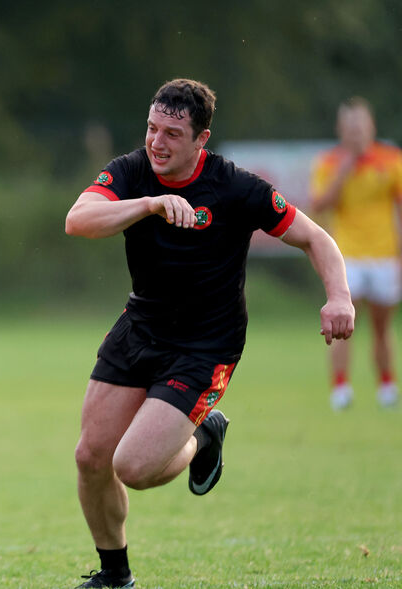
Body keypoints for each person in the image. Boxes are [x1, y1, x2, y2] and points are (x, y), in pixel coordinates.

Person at [64, 79, 355, 588]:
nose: (157, 142)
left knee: (132, 466)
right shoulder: (134, 171)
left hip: (205, 345)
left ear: (202, 139)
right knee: (91, 457)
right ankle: (115, 576)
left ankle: (203, 435)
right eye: (153, 128)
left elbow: (316, 237)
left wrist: (339, 297)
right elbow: (78, 220)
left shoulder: (237, 188)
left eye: (173, 134)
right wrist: (148, 204)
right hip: (141, 326)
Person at [310, 97, 402, 410]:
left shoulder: (391, 161)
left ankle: (387, 383)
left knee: (381, 326)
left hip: (385, 256)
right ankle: (340, 387)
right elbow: (320, 205)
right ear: (340, 129)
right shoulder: (329, 163)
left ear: (371, 126)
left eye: (360, 125)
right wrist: (346, 169)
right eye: (349, 127)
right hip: (346, 255)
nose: (356, 132)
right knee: (342, 326)